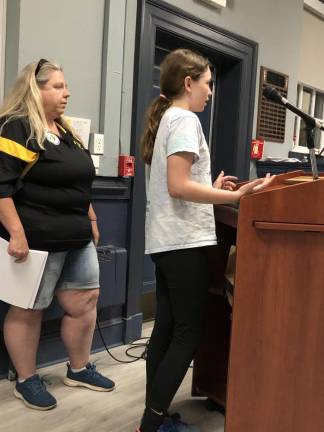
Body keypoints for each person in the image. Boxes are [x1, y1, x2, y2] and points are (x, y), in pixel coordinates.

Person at [137, 49, 274, 432]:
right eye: (208, 84)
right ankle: (151, 424)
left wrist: (210, 188)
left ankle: (156, 418)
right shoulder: (184, 120)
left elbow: (179, 184)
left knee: (165, 329)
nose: (210, 92)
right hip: (183, 243)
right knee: (187, 334)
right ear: (188, 83)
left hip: (167, 241)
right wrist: (236, 197)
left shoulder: (168, 117)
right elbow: (178, 187)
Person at [0, 59, 115, 411]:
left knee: (85, 301)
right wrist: (16, 233)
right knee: (28, 310)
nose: (67, 93)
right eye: (58, 86)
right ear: (36, 88)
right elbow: (1, 186)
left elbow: (78, 183)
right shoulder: (17, 127)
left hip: (77, 237)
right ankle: (26, 380)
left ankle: (78, 369)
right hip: (36, 240)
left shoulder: (64, 130)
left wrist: (91, 218)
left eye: (65, 87)